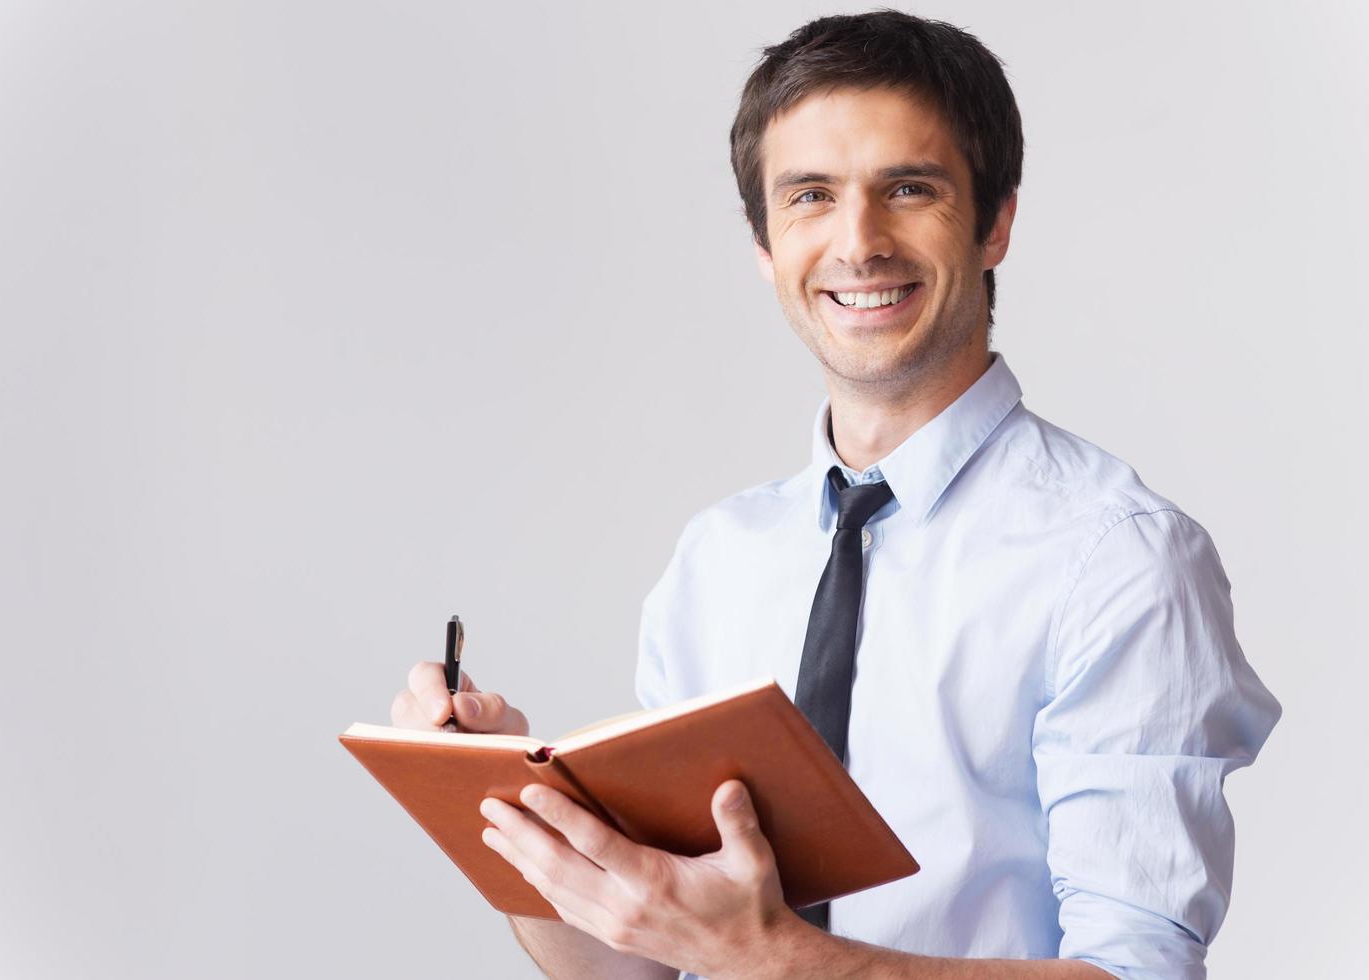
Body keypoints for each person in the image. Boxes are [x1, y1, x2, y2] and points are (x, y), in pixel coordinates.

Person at [389, 10, 1280, 980]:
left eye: (907, 188)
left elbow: (1138, 971)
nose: (858, 242)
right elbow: (633, 965)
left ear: (995, 221)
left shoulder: (1116, 558)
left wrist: (772, 955)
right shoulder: (720, 557)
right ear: (766, 245)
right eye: (809, 195)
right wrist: (514, 811)